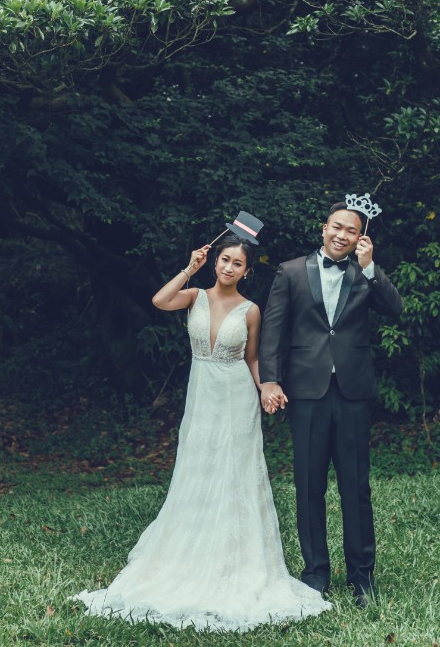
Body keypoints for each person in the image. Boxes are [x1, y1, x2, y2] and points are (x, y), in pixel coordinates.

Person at [73, 234, 331, 632]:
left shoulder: (250, 310)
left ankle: (237, 562)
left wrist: (266, 388)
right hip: (202, 397)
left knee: (235, 474)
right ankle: (188, 557)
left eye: (237, 264)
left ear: (247, 270)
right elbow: (160, 301)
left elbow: (252, 359)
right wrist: (188, 269)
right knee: (198, 470)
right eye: (224, 260)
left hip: (236, 398)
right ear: (216, 262)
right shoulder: (193, 296)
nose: (229, 268)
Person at [259, 202, 404, 608]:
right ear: (324, 228)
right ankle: (315, 575)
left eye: (352, 230)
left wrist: (372, 267)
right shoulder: (289, 272)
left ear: (361, 236)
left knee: (355, 487)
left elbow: (396, 309)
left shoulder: (364, 273)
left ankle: (362, 578)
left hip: (353, 393)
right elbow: (272, 328)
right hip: (306, 392)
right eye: (337, 227)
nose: (343, 235)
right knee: (308, 486)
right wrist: (268, 379)